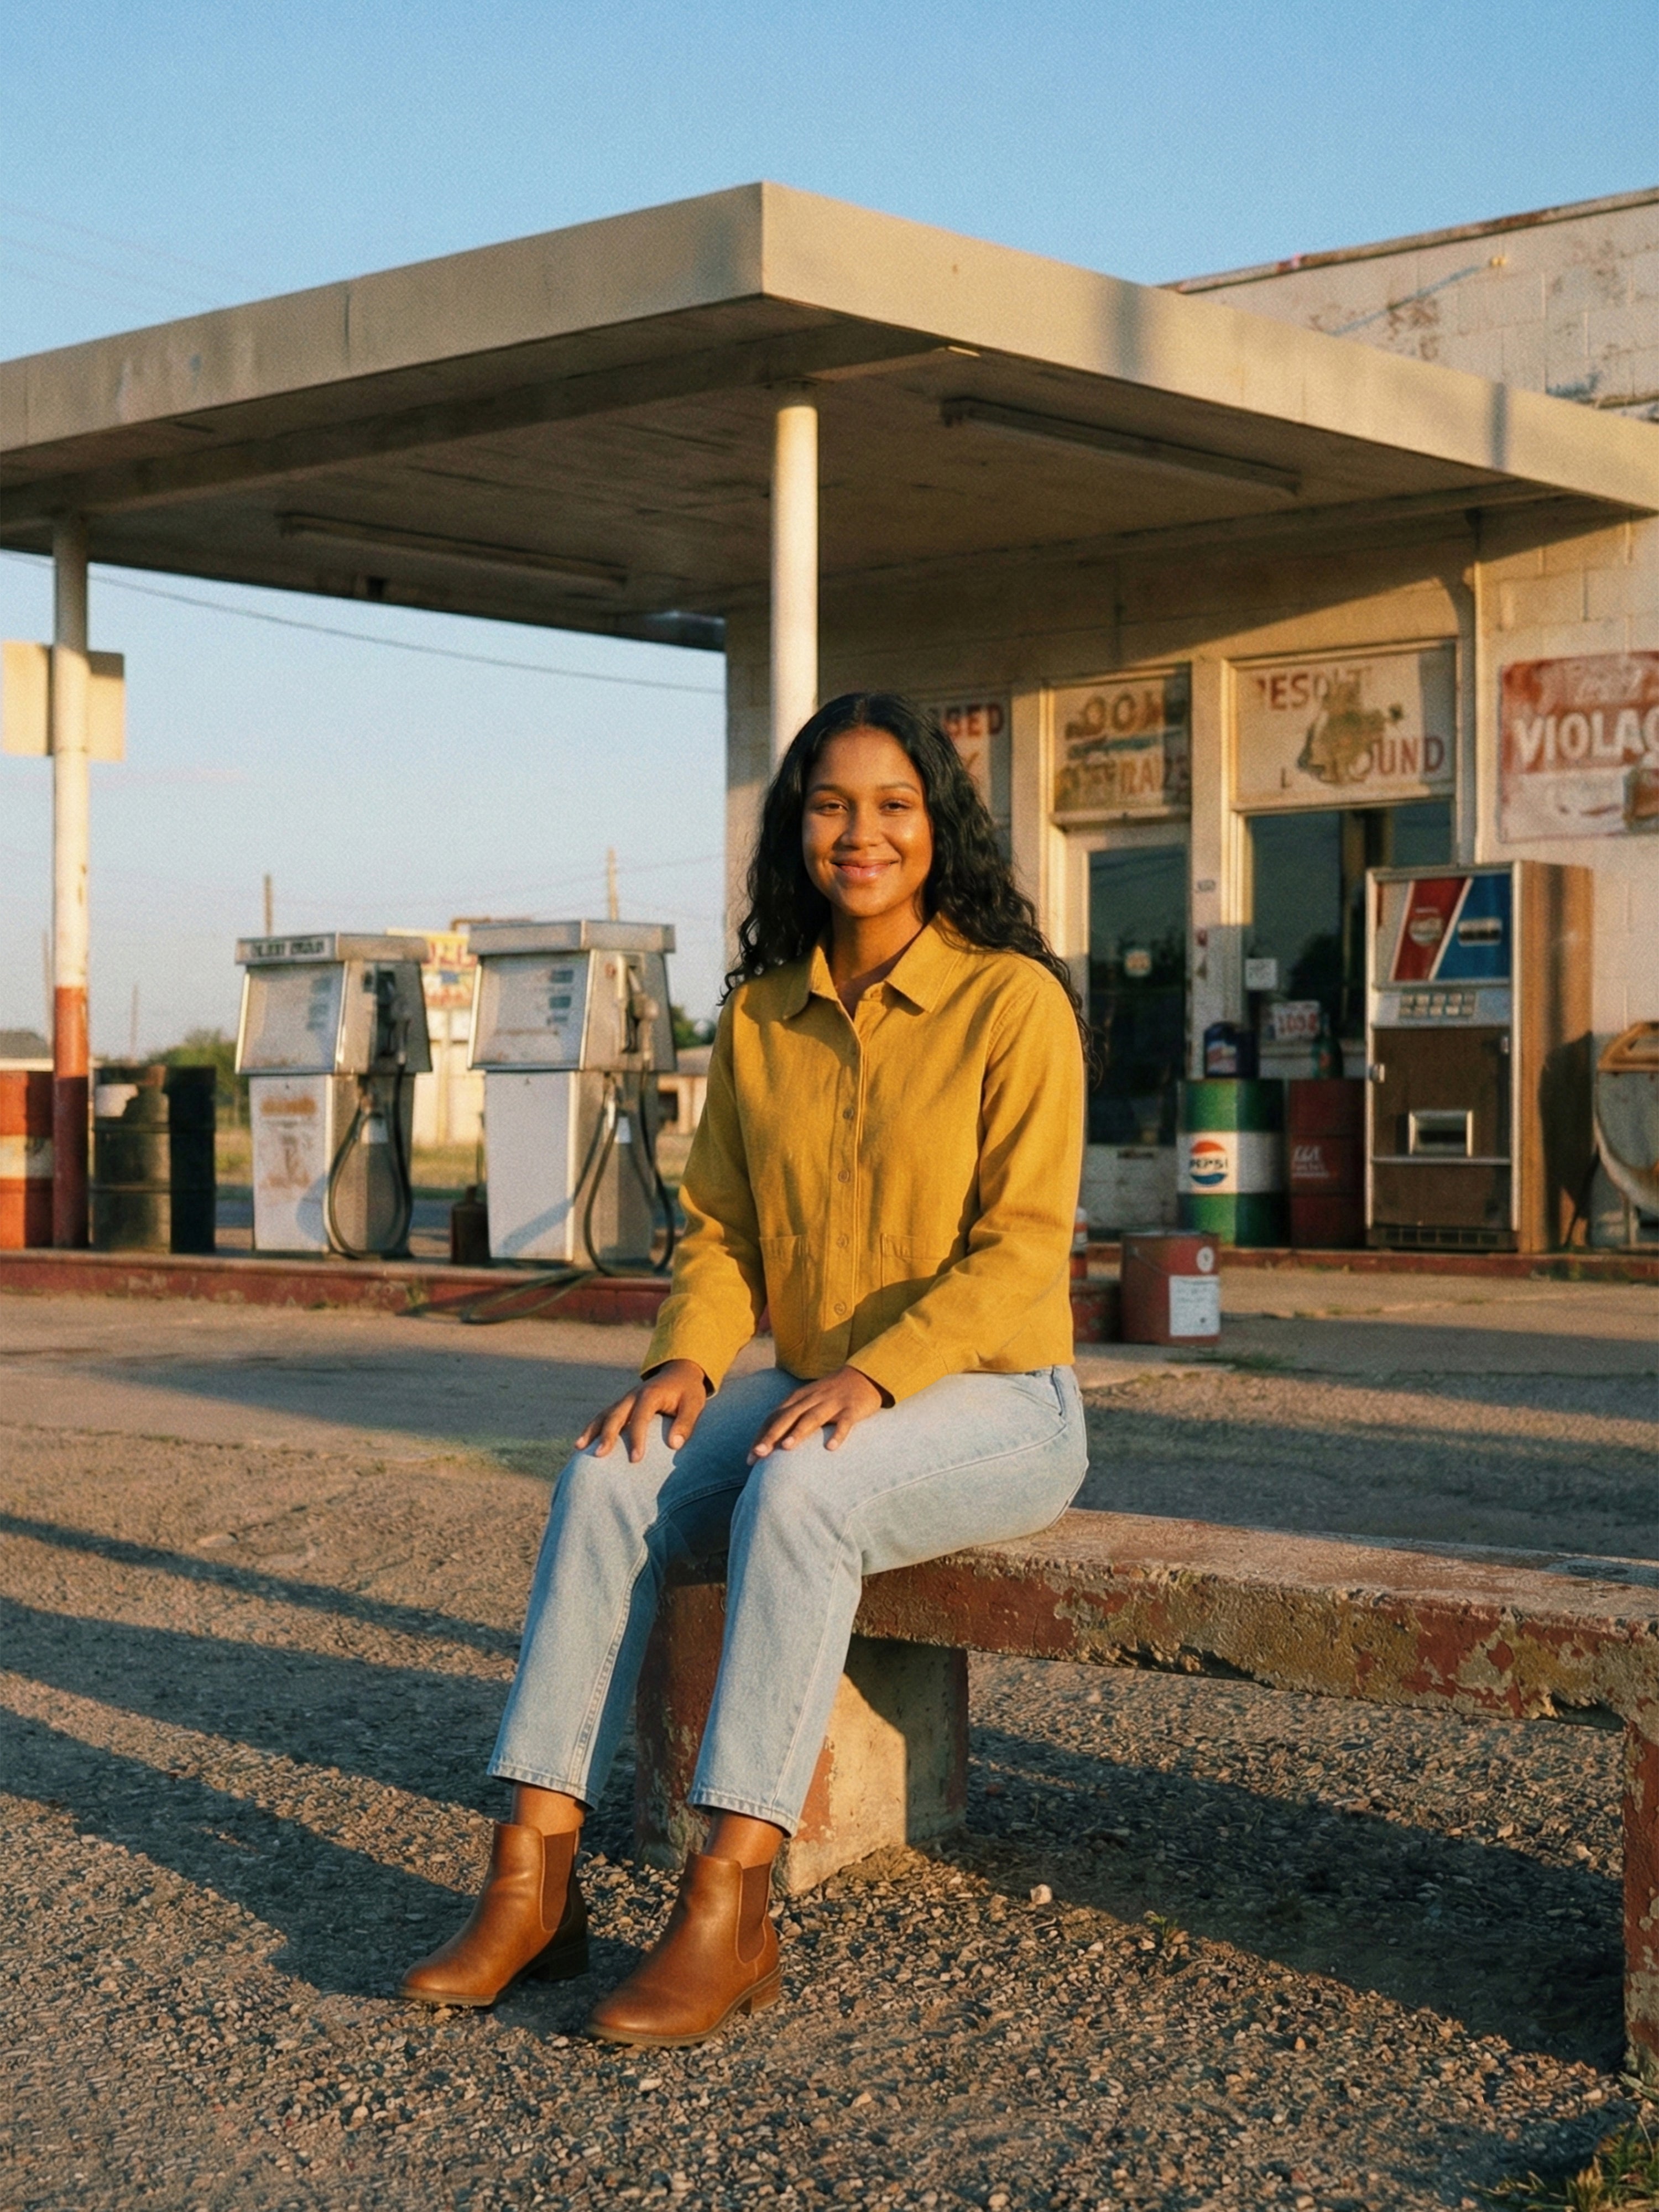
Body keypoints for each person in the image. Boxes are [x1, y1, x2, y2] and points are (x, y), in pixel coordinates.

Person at [400, 692, 1091, 2047]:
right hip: (814, 1383)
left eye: (895, 805)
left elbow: (1022, 1252)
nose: (863, 832)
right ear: (797, 829)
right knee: (611, 1472)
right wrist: (687, 1363)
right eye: (831, 803)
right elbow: (720, 1227)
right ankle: (532, 1872)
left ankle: (731, 1902)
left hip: (1002, 1399)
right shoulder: (767, 1016)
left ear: (938, 827)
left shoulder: (1014, 1003)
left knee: (801, 1499)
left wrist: (881, 1376)